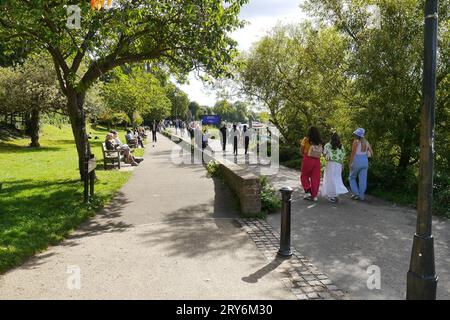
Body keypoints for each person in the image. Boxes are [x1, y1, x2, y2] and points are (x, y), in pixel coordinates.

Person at [322, 132, 348, 203]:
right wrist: (342, 164)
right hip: (338, 164)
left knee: (330, 179)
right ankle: (336, 195)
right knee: (337, 178)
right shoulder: (341, 146)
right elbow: (342, 156)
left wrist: (327, 156)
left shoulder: (327, 145)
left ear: (331, 138)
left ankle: (332, 196)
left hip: (330, 163)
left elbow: (324, 154)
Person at [349, 128, 373, 201]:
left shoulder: (355, 142)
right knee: (363, 180)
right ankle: (361, 196)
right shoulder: (367, 142)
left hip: (357, 160)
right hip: (365, 161)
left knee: (351, 177)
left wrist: (350, 163)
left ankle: (356, 194)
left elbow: (353, 153)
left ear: (356, 135)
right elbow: (372, 153)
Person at [300, 126, 323, 202]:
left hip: (308, 158)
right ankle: (314, 195)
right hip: (317, 160)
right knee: (315, 178)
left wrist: (303, 154)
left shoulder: (306, 139)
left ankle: (307, 190)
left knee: (304, 175)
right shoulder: (319, 141)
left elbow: (302, 149)